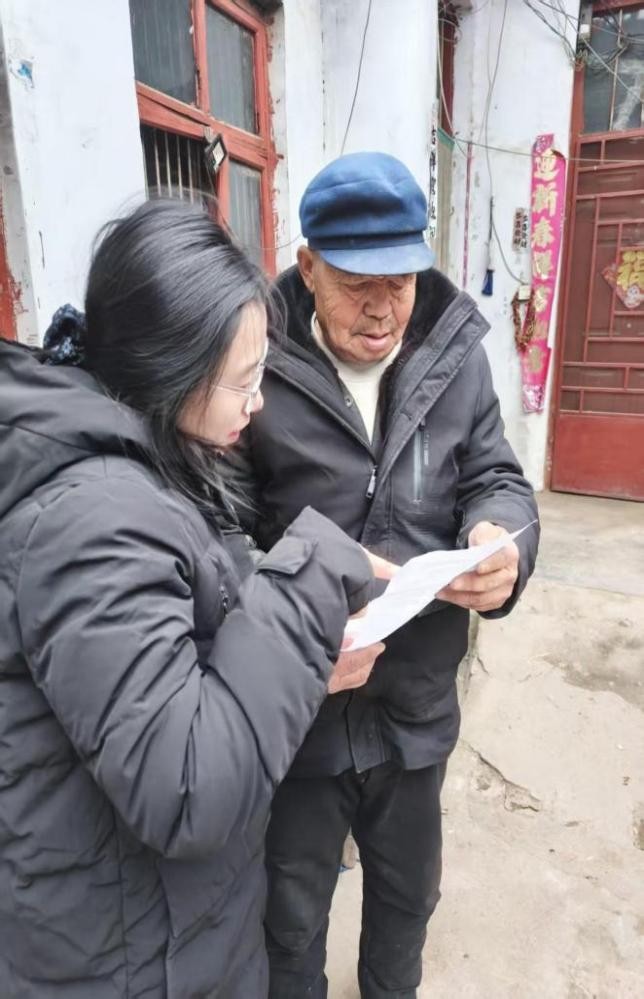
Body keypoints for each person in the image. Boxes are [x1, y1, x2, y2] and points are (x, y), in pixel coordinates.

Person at [0, 198, 389, 998]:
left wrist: (296, 656)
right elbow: (186, 786)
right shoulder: (91, 515)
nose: (257, 402)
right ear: (171, 370)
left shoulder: (145, 456)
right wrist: (311, 575)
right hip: (124, 957)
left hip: (162, 926)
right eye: (243, 381)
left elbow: (180, 643)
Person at [220, 152, 540, 998]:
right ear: (308, 266)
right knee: (289, 917)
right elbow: (218, 529)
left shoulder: (453, 354)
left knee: (407, 899)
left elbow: (495, 475)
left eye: (400, 281)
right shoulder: (254, 363)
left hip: (415, 705)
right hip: (303, 710)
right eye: (358, 283)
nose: (383, 306)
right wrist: (289, 629)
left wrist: (501, 538)